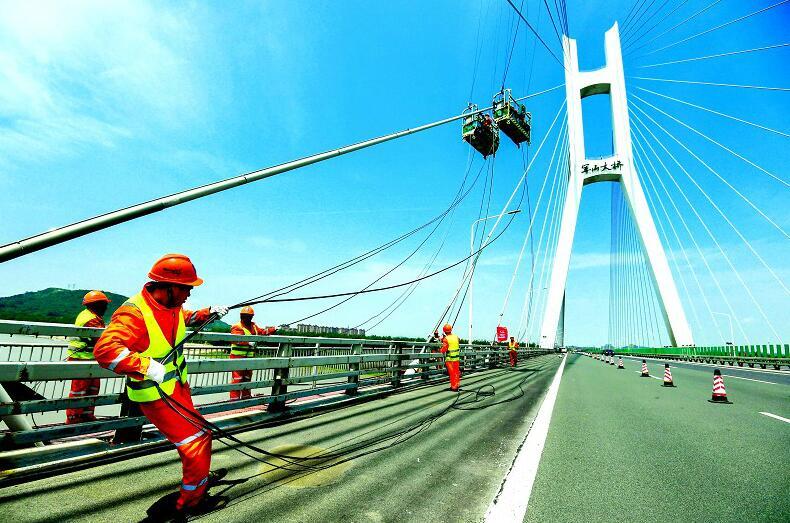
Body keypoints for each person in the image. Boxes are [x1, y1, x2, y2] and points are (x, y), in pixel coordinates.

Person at [94, 254, 229, 517]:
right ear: (168, 287)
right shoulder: (134, 313)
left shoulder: (171, 306)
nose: (189, 293)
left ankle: (199, 478)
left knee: (201, 434)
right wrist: (145, 366)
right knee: (197, 440)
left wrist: (208, 313)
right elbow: (105, 350)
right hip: (155, 395)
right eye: (186, 288)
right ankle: (190, 501)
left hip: (176, 388)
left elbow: (185, 317)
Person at [65, 290, 111, 424]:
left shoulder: (90, 316)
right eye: (104, 305)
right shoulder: (91, 320)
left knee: (92, 388)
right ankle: (73, 418)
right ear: (96, 305)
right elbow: (101, 341)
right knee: (79, 390)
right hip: (81, 359)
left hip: (89, 359)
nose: (106, 308)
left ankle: (86, 415)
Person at [229, 306, 275, 400]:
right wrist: (248, 342)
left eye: (249, 316)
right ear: (241, 316)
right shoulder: (237, 326)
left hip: (249, 358)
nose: (247, 318)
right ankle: (234, 400)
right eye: (245, 316)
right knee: (237, 379)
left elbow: (262, 332)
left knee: (247, 378)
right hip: (237, 358)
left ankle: (246, 398)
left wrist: (273, 329)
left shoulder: (254, 326)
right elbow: (235, 339)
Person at [439, 323, 461, 392]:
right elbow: (456, 341)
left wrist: (440, 350)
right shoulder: (456, 337)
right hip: (456, 358)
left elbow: (444, 349)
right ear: (451, 330)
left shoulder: (446, 339)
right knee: (456, 372)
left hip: (450, 359)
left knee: (452, 373)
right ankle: (457, 385)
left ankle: (454, 387)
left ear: (444, 331)